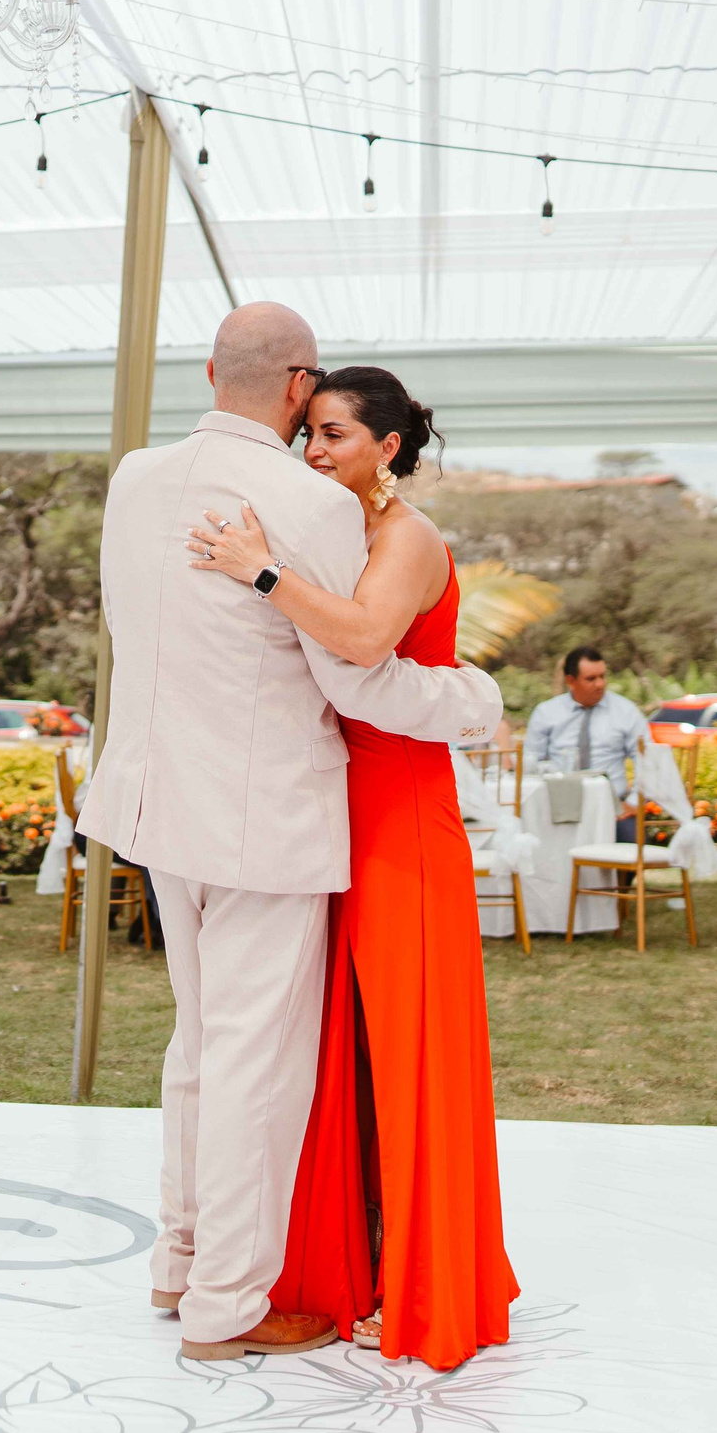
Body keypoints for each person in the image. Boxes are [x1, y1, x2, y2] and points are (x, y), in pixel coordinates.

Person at [77, 302, 501, 1365]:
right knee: (255, 1063)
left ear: (212, 368)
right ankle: (226, 1305)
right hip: (260, 816)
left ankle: (179, 1264)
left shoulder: (131, 478)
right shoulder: (303, 503)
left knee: (195, 1042)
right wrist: (475, 704)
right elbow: (357, 678)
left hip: (149, 805)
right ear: (297, 384)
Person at [186, 361, 520, 1371]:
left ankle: (423, 1285)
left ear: (386, 448)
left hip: (400, 816)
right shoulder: (333, 533)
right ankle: (350, 1270)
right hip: (332, 810)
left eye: (333, 434)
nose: (314, 451)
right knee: (339, 1057)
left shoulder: (406, 538)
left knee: (406, 1053)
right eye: (308, 434)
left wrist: (259, 572)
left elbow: (370, 642)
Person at [523, 647, 648, 838]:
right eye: (591, 679)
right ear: (570, 681)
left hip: (612, 806)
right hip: (558, 805)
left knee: (631, 840)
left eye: (603, 676)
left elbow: (647, 760)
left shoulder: (626, 711)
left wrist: (634, 803)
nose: (600, 684)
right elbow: (530, 761)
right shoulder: (546, 712)